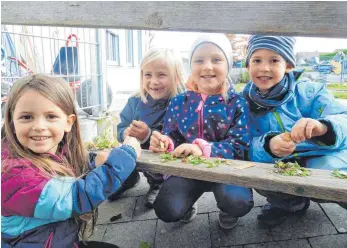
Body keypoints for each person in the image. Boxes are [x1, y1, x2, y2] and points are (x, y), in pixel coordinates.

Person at [1, 74, 141, 248]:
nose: (38, 126)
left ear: (68, 122)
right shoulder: (12, 175)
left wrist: (93, 162)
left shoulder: (49, 151)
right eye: (27, 117)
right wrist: (127, 154)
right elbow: (76, 196)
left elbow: (64, 172)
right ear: (12, 123)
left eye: (50, 116)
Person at [149, 34, 254, 229]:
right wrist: (165, 142)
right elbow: (172, 133)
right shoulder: (179, 101)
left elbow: (240, 145)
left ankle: (228, 209)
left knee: (237, 202)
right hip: (188, 168)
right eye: (199, 60)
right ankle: (186, 204)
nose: (207, 66)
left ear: (228, 65)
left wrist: (204, 149)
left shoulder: (237, 102)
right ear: (191, 66)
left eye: (216, 59)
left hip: (226, 168)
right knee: (166, 209)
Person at [242, 35, 347, 228]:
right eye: (257, 60)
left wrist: (322, 127)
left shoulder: (311, 92)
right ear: (248, 66)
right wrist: (269, 145)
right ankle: (290, 204)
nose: (264, 68)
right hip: (281, 163)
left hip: (323, 158)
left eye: (274, 60)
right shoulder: (243, 103)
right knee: (260, 173)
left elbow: (343, 119)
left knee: (330, 174)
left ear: (288, 65)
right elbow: (245, 143)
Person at [108, 48, 185, 208]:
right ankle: (127, 178)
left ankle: (158, 184)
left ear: (176, 77)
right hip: (135, 153)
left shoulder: (181, 103)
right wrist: (125, 133)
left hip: (165, 159)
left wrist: (147, 135)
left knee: (162, 161)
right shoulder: (135, 101)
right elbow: (121, 127)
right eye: (148, 74)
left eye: (161, 75)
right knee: (116, 155)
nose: (153, 81)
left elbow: (178, 138)